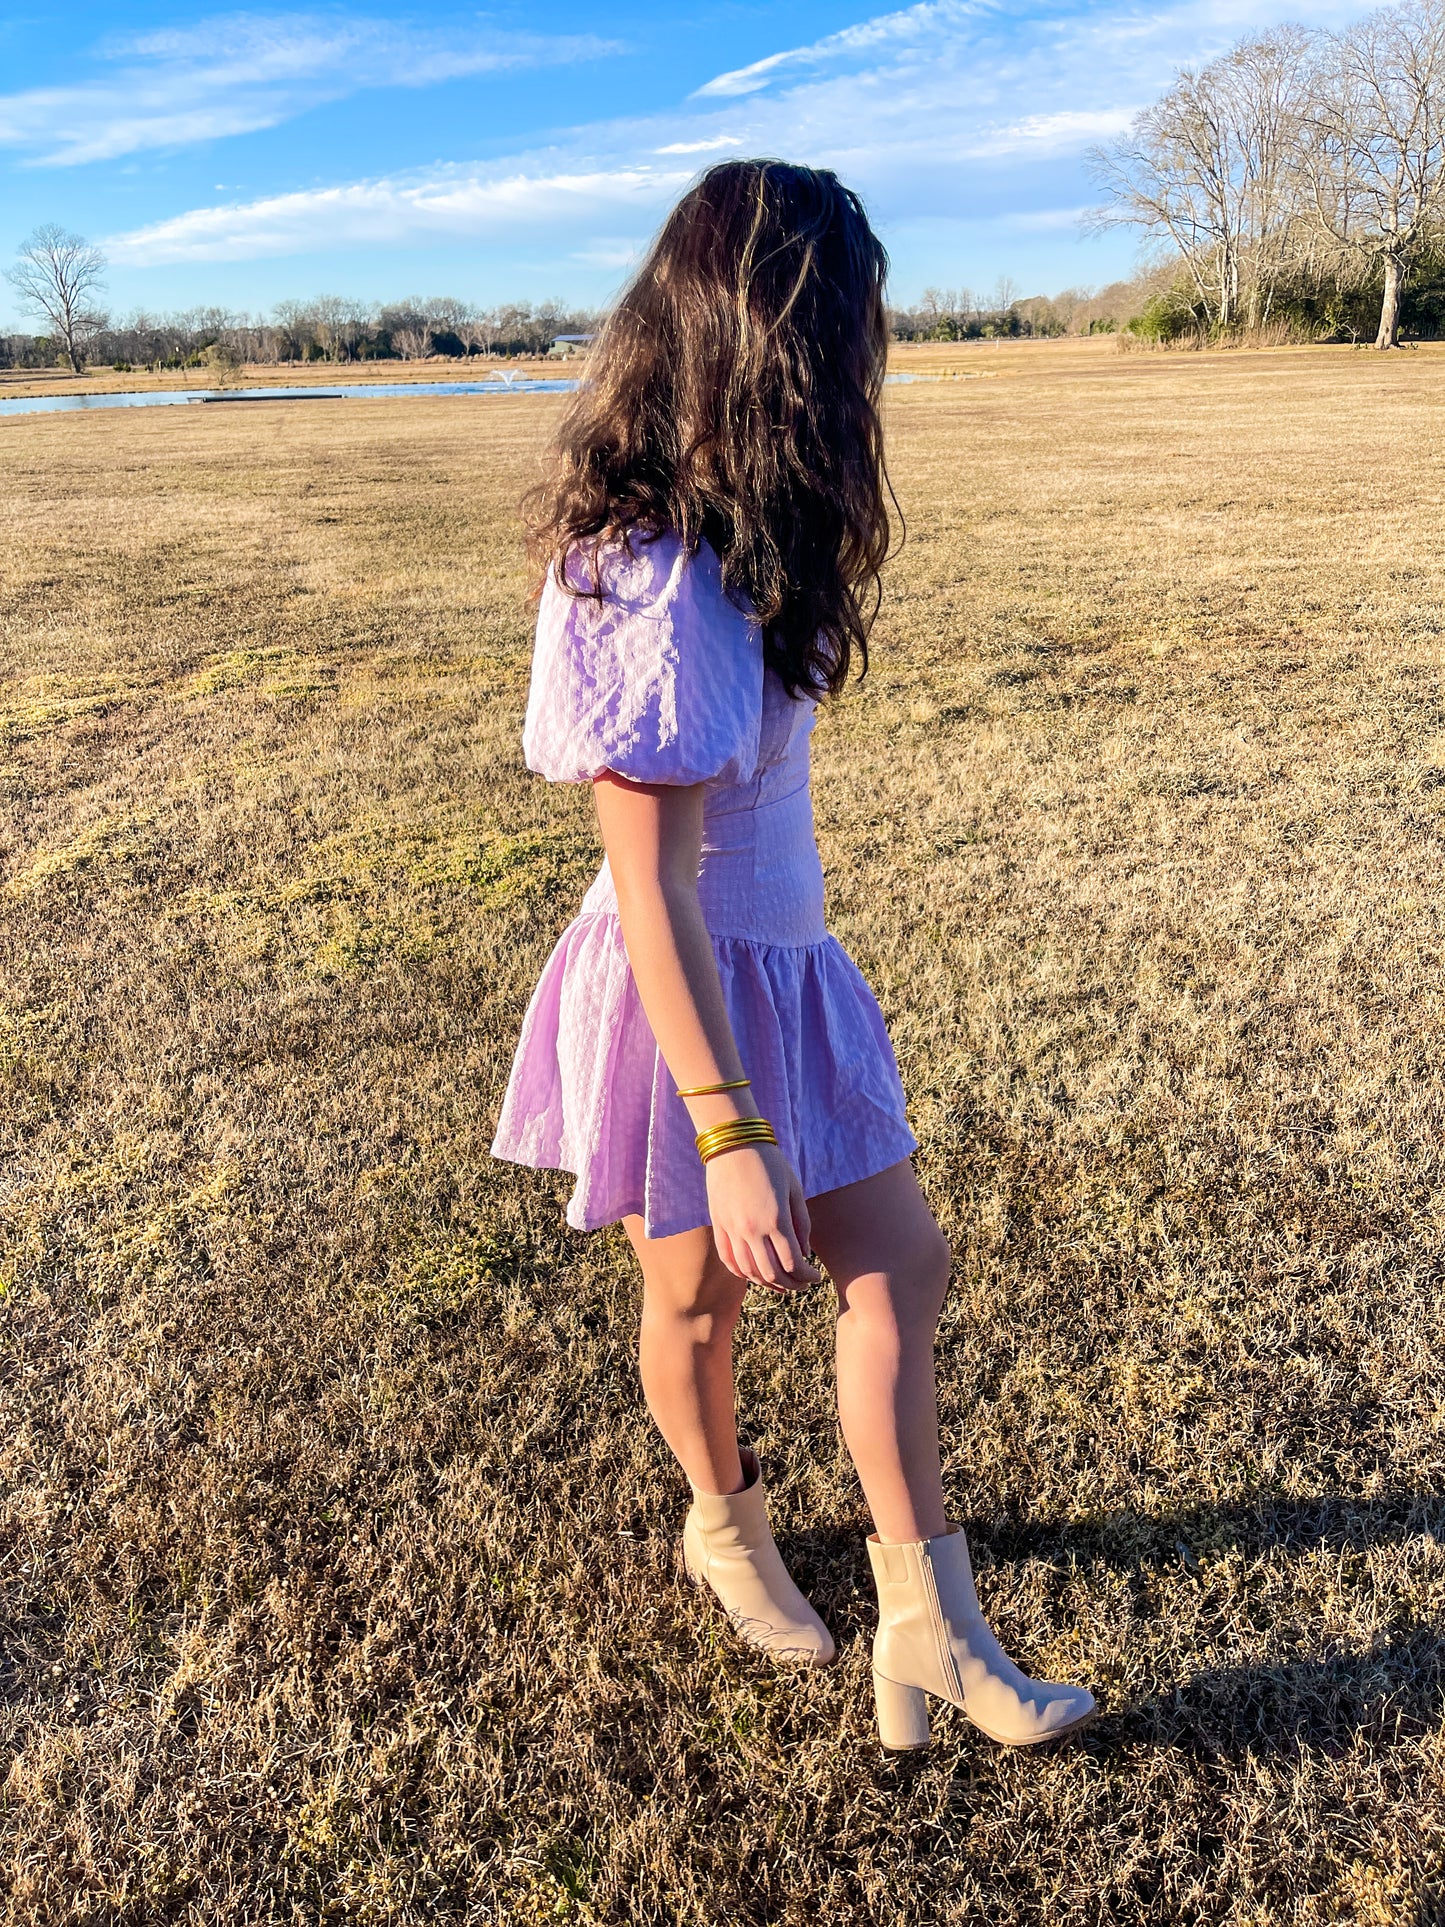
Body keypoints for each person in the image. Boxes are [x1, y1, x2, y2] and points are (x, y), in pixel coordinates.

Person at [490, 159, 1095, 1751]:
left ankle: (930, 1630)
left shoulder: (747, 526)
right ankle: (723, 1525)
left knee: (899, 1266)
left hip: (787, 966)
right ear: (765, 336)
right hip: (684, 999)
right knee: (697, 1306)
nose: (861, 362)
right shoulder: (639, 567)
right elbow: (648, 888)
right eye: (841, 327)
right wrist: (731, 1128)